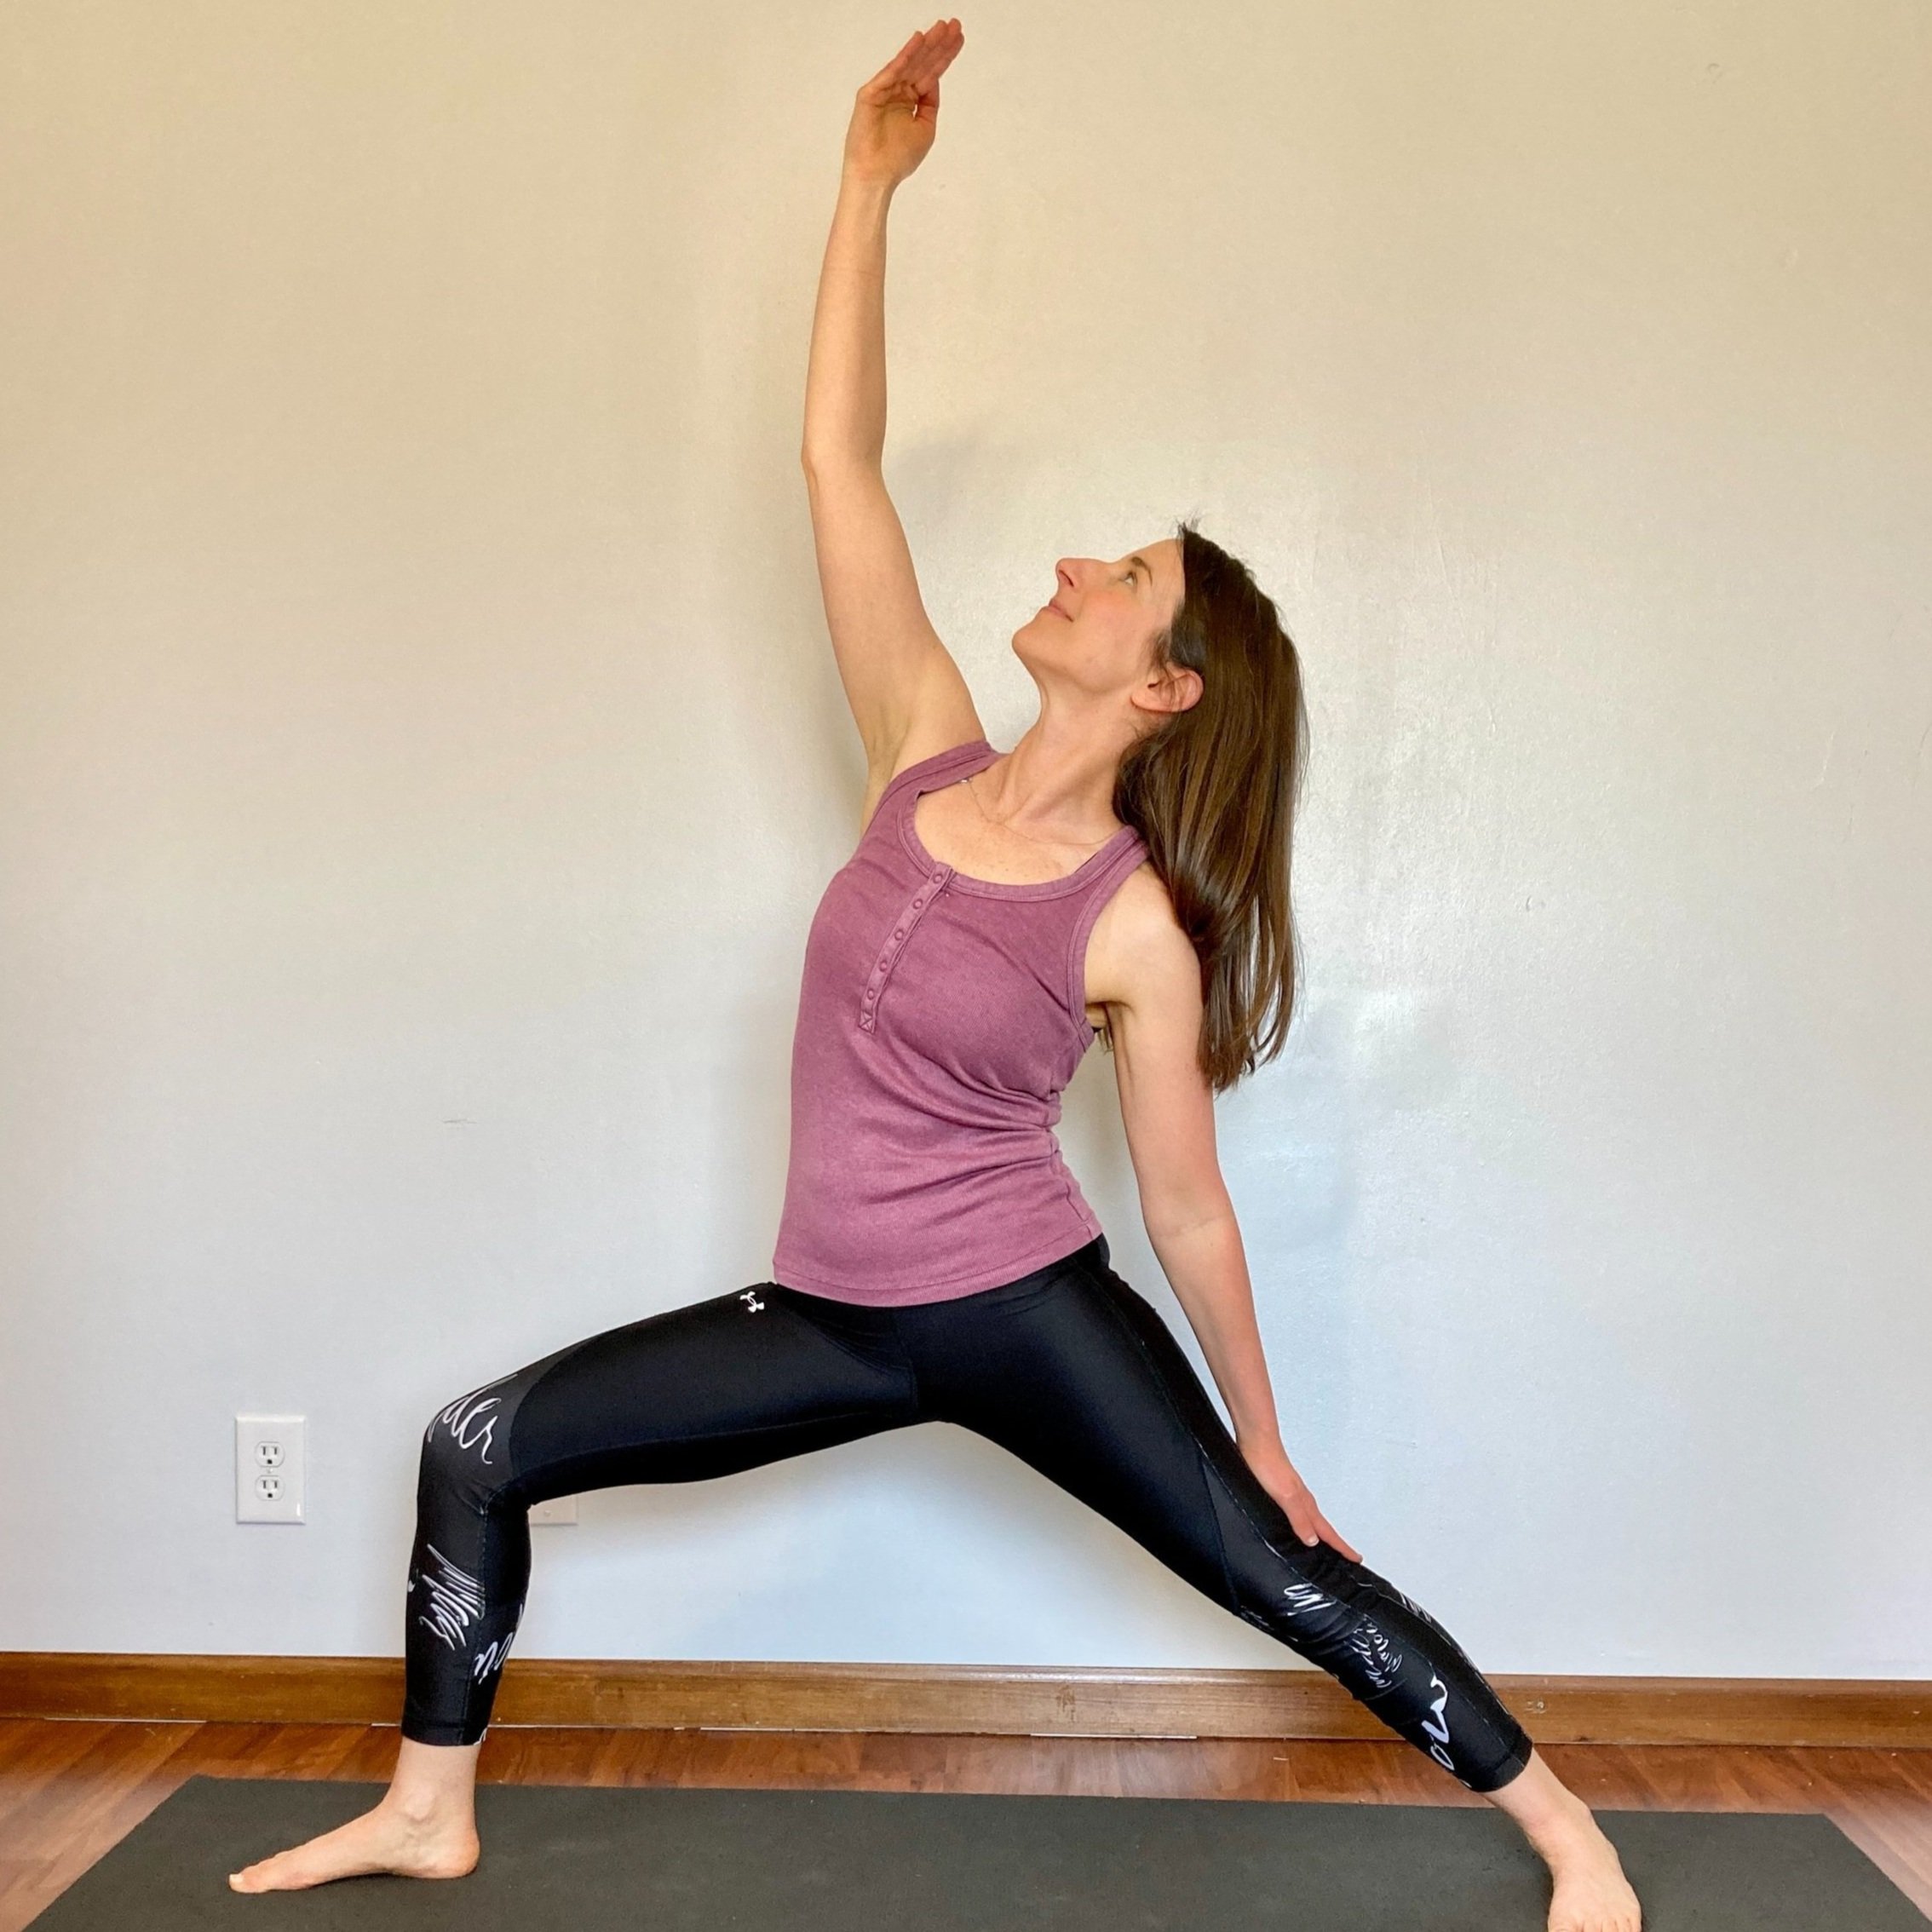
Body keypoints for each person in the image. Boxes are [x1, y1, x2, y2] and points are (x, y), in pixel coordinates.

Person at [230, 20, 1641, 1930]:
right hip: (829, 1312)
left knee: (1278, 1570)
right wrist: (866, 189)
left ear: (1164, 687)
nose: (1071, 561)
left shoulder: (1132, 925)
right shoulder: (922, 750)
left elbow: (1185, 1208)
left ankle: (1569, 1832)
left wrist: (1264, 1433)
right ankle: (427, 1806)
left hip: (1021, 1316)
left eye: (1118, 575)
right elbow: (838, 456)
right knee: (477, 1446)